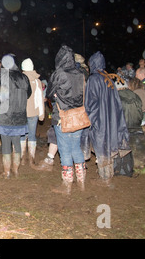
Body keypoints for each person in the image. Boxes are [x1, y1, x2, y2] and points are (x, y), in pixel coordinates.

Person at [83, 51, 131, 187]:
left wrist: (88, 121)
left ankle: (105, 178)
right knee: (108, 145)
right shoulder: (108, 78)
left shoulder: (93, 79)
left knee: (101, 146)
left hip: (100, 120)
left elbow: (91, 104)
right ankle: (108, 174)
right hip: (111, 119)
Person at [47, 45, 87, 195]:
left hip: (62, 117)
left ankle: (67, 184)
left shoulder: (59, 74)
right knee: (76, 148)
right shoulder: (80, 73)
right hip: (78, 117)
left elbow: (50, 94)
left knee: (64, 151)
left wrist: (57, 95)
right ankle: (81, 182)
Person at [0, 55, 31, 178]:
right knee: (17, 143)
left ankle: (7, 172)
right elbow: (28, 94)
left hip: (5, 116)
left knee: (6, 144)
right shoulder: (24, 77)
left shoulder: (2, 77)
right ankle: (16, 169)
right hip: (20, 116)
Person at [20, 57, 44, 167]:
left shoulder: (20, 80)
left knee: (22, 135)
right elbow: (40, 98)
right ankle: (31, 159)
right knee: (32, 135)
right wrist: (41, 113)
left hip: (22, 113)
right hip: (33, 113)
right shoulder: (37, 81)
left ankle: (22, 158)